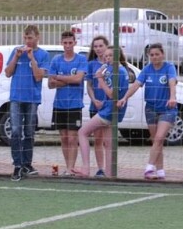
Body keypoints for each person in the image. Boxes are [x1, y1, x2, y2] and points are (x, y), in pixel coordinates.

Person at [117, 43, 177, 180]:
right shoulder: (147, 70)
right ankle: (160, 170)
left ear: (163, 54)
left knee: (159, 138)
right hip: (151, 108)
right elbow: (136, 85)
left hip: (167, 108)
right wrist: (124, 98)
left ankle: (149, 167)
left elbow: (172, 82)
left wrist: (173, 97)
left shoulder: (169, 67)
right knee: (156, 141)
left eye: (157, 54)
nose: (155, 57)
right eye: (152, 55)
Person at [4, 24, 50, 181]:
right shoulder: (16, 52)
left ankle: (27, 163)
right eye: (25, 38)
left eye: (30, 38)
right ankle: (17, 165)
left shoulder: (43, 55)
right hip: (16, 97)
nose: (27, 41)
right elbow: (8, 73)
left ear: (37, 37)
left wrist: (31, 58)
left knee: (29, 132)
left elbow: (38, 77)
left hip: (32, 98)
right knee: (16, 131)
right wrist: (16, 57)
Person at [76, 46, 129, 178]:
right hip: (109, 108)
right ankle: (110, 173)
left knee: (82, 132)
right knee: (108, 142)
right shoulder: (111, 69)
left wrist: (100, 78)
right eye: (106, 56)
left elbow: (112, 94)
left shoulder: (120, 71)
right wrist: (101, 74)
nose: (107, 58)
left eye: (110, 55)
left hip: (110, 110)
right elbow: (102, 87)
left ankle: (86, 168)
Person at [47, 31, 88, 176]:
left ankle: (71, 168)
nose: (68, 46)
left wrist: (59, 77)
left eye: (70, 43)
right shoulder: (56, 60)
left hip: (75, 104)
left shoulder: (81, 60)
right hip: (59, 104)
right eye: (65, 43)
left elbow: (78, 79)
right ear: (61, 43)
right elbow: (50, 84)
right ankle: (67, 166)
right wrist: (69, 79)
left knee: (72, 138)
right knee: (64, 138)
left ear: (75, 43)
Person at [85, 35, 111, 177]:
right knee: (98, 139)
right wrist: (94, 99)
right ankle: (101, 168)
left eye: (101, 46)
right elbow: (89, 85)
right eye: (95, 46)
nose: (98, 49)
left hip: (109, 107)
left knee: (109, 140)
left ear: (106, 46)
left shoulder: (111, 65)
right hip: (96, 106)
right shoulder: (91, 65)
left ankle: (109, 167)